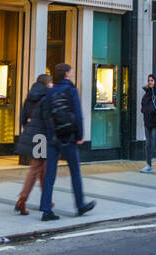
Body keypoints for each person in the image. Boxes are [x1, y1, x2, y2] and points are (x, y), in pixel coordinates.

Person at [38, 63, 96, 222]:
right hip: (69, 137)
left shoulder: (50, 92)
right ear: (66, 74)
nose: (71, 75)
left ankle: (46, 210)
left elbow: (45, 115)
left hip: (53, 138)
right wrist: (80, 135)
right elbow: (78, 114)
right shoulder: (70, 90)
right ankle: (80, 205)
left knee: (49, 174)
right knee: (75, 171)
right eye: (70, 72)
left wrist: (51, 132)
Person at [15, 73, 52, 214]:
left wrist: (28, 130)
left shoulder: (31, 95)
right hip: (42, 135)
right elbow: (47, 118)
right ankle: (22, 199)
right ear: (47, 84)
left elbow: (23, 116)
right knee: (36, 168)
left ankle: (46, 198)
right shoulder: (46, 96)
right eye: (51, 83)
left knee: (42, 168)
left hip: (32, 133)